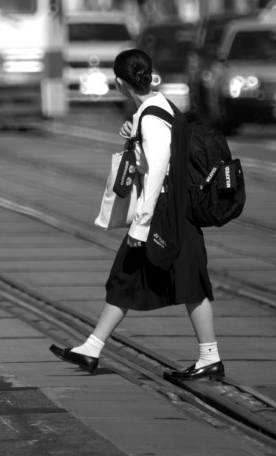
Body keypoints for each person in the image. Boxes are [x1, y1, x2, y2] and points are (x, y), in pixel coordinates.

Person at [50, 48, 224, 381]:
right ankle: (92, 347)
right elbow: (160, 158)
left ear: (119, 82)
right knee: (133, 280)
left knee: (185, 283)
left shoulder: (153, 115)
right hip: (174, 212)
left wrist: (141, 225)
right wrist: (135, 138)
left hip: (166, 215)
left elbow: (158, 169)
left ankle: (209, 357)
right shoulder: (158, 108)